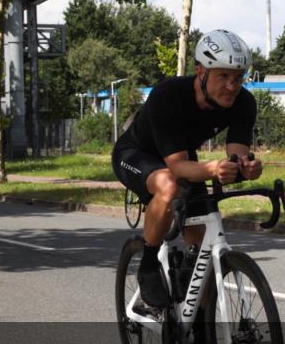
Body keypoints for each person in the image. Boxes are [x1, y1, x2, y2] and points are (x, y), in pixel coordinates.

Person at [112, 29, 263, 308]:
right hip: (137, 154)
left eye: (238, 77)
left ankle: (198, 333)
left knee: (201, 253)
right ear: (200, 71)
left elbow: (237, 155)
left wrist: (247, 168)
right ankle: (147, 265)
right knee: (169, 185)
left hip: (183, 158)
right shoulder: (169, 94)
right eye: (223, 76)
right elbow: (177, 166)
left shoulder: (244, 102)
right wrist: (214, 168)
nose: (232, 86)